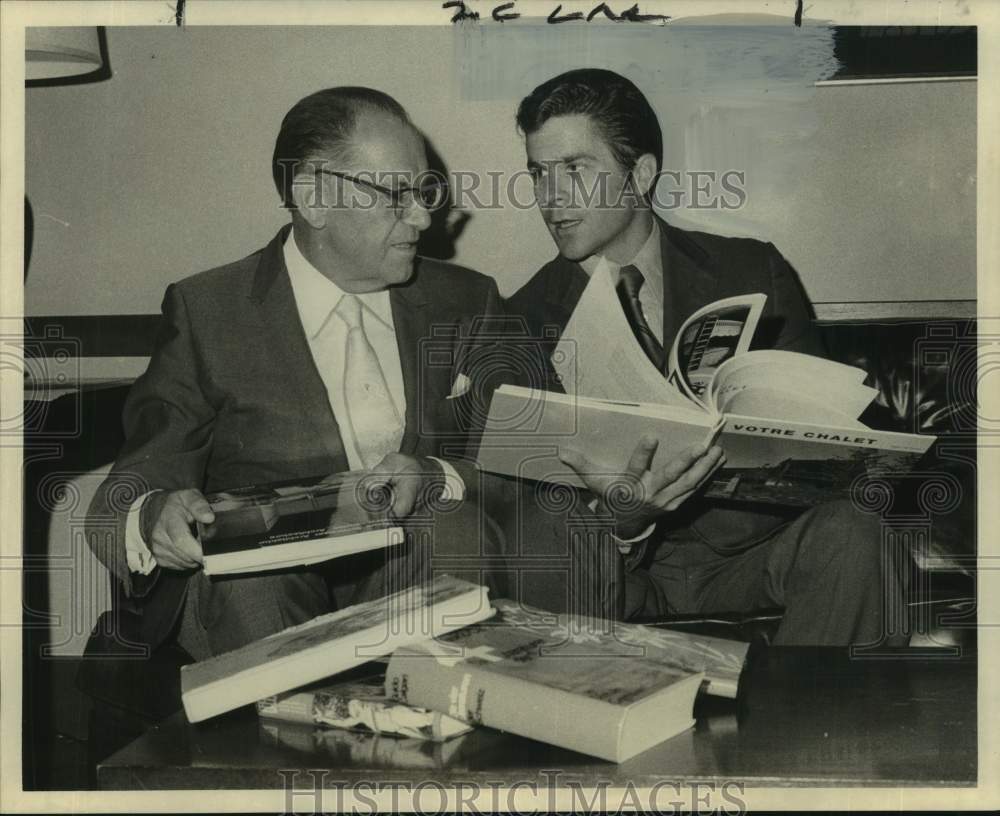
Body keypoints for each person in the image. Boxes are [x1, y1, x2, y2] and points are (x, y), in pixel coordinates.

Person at [87, 87, 507, 661]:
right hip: (264, 596)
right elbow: (126, 490)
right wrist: (155, 515)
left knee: (454, 526)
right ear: (314, 198)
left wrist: (440, 475)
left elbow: (530, 463)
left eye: (426, 190)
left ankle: (449, 724)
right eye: (399, 194)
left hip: (416, 572)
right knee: (247, 584)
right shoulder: (209, 311)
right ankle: (289, 745)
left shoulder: (467, 299)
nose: (424, 215)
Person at [505, 68, 907, 647]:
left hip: (751, 551)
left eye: (575, 170)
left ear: (640, 175)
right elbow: (527, 510)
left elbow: (827, 434)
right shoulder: (521, 316)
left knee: (856, 530)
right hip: (617, 570)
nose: (551, 199)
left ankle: (808, 734)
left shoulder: (751, 270)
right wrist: (621, 519)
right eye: (539, 174)